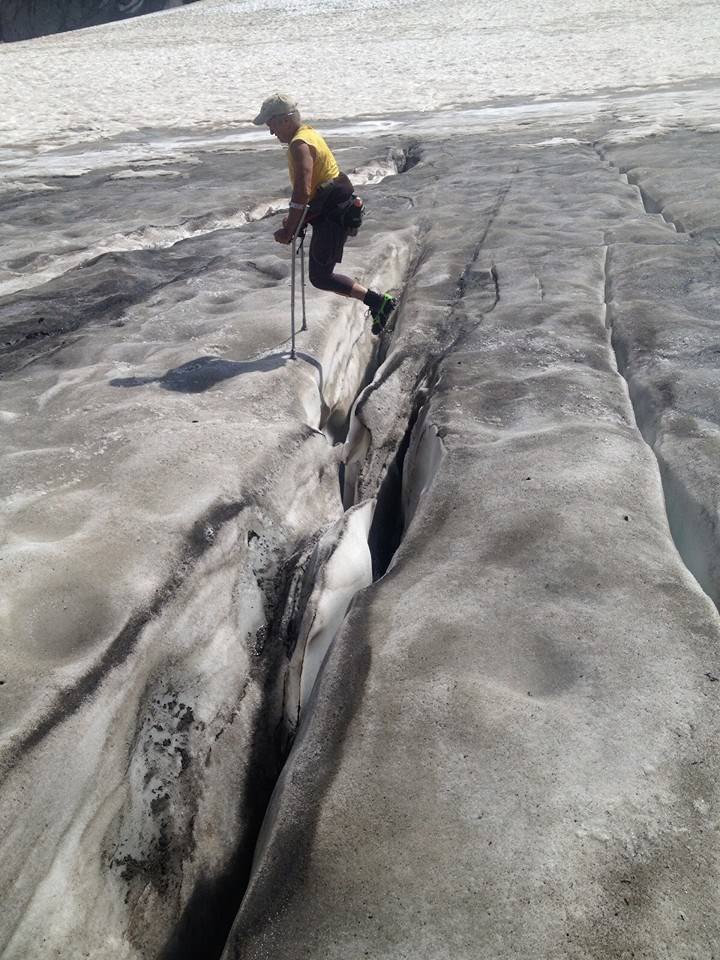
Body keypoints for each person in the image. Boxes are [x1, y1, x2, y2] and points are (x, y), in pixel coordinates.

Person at [252, 93, 397, 335]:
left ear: (285, 120)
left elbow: (303, 190)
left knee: (320, 276)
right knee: (321, 274)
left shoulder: (300, 145)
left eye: (271, 124)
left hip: (332, 209)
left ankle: (379, 302)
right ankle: (377, 302)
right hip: (333, 203)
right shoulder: (307, 134)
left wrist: (291, 229)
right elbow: (312, 190)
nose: (270, 132)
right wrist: (296, 221)